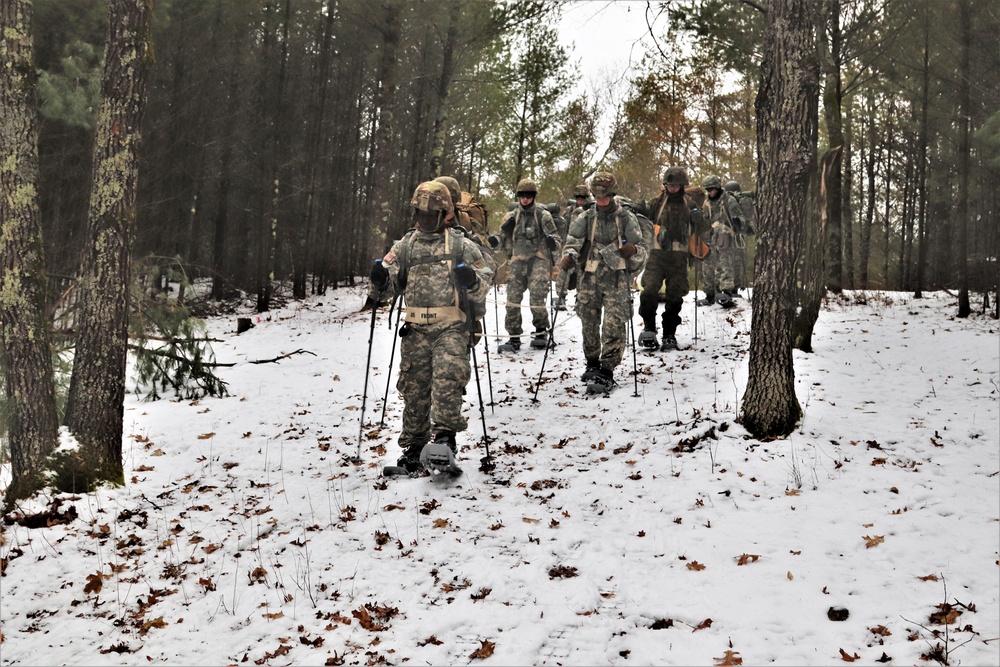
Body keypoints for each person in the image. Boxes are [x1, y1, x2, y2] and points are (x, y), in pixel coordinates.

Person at [368, 181, 493, 473]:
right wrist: (379, 279)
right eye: (420, 213)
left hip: (451, 325)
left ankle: (445, 441)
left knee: (447, 380)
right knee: (415, 387)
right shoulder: (406, 245)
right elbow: (385, 287)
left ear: (445, 214)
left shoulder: (461, 245)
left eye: (430, 214)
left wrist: (471, 280)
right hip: (415, 328)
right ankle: (413, 448)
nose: (424, 219)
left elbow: (485, 277)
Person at [559, 171, 648, 392]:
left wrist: (633, 250)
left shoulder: (626, 218)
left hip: (617, 278)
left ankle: (607, 370)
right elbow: (572, 241)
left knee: (614, 324)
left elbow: (643, 249)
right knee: (588, 322)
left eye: (605, 196)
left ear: (612, 194)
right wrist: (569, 256)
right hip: (589, 278)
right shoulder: (586, 217)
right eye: (597, 197)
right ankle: (591, 362)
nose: (601, 201)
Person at [632, 166, 705, 351]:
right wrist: (639, 211)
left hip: (679, 258)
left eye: (676, 185)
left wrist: (699, 219)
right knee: (648, 291)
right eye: (669, 185)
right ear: (665, 185)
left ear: (682, 185)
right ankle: (649, 329)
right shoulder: (656, 203)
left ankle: (669, 333)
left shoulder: (690, 204)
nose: (672, 188)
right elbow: (644, 223)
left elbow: (704, 230)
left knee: (675, 297)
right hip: (656, 255)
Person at [497, 178, 560, 351]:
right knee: (512, 298)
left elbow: (556, 239)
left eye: (529, 195)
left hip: (537, 258)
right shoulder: (511, 216)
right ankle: (514, 335)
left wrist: (551, 243)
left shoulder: (543, 215)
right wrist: (503, 233)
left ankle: (541, 330)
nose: (525, 199)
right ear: (518, 196)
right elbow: (500, 242)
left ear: (534, 196)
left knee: (537, 295)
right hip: (517, 259)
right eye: (522, 195)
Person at [698, 175, 743, 308]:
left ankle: (727, 292)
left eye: (711, 189)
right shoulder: (706, 204)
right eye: (707, 189)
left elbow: (741, 218)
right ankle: (709, 294)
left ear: (718, 187)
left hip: (726, 239)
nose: (709, 192)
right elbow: (704, 222)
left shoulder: (729, 201)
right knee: (707, 267)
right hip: (711, 239)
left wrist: (736, 223)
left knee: (725, 265)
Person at [554, 184, 593, 311]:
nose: (580, 200)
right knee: (564, 269)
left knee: (583, 273)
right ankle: (561, 297)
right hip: (571, 244)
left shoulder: (592, 210)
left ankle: (580, 298)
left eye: (583, 197)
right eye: (578, 197)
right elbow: (563, 227)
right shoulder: (569, 211)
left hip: (586, 248)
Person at [724, 179, 753, 293]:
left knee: (728, 261)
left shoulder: (728, 201)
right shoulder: (743, 200)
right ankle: (736, 286)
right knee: (738, 261)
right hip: (740, 235)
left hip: (730, 235)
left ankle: (730, 287)